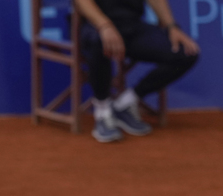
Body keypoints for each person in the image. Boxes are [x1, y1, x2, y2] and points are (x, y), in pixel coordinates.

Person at [75, 0, 201, 143]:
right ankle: (103, 111)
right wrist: (104, 26)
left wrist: (172, 26)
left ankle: (126, 103)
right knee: (98, 42)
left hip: (132, 26)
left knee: (186, 54)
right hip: (94, 25)